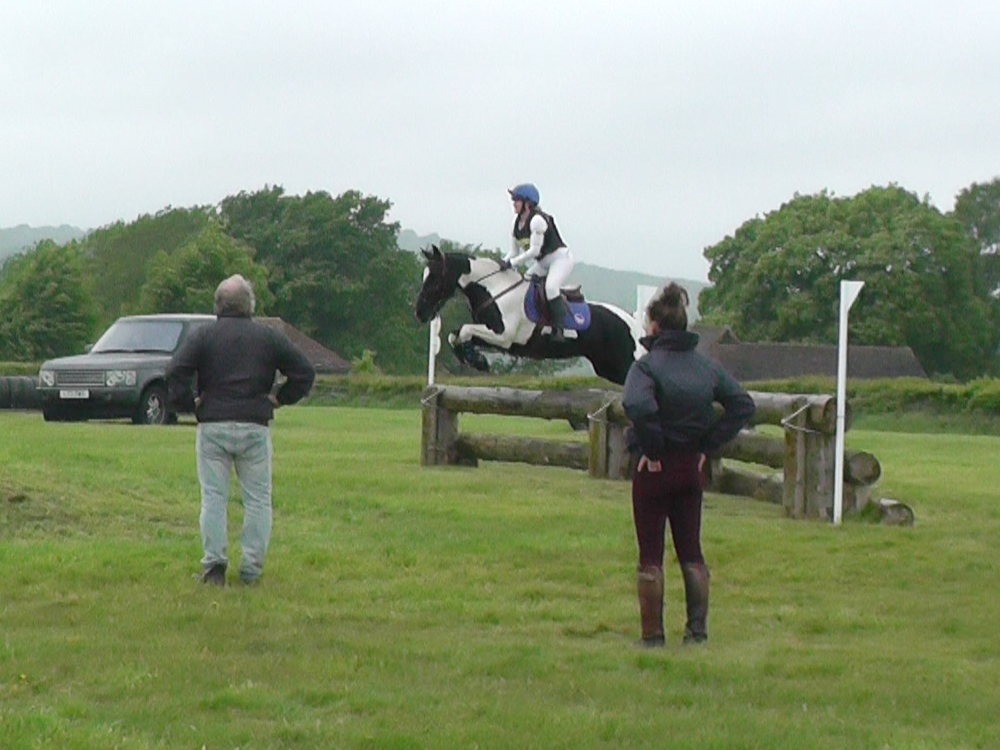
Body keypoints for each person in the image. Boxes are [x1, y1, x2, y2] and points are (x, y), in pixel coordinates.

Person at [621, 283, 755, 646]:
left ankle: (652, 636)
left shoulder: (646, 367)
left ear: (654, 326)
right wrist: (707, 445)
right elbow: (742, 404)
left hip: (654, 470)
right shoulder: (706, 366)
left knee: (651, 555)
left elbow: (637, 406)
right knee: (691, 551)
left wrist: (652, 449)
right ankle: (697, 632)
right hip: (691, 468)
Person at [166, 274, 316, 586]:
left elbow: (175, 371)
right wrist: (279, 398)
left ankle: (214, 566)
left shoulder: (204, 335)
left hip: (213, 423)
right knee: (258, 499)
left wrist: (190, 404)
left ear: (217, 306)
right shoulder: (268, 337)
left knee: (213, 497)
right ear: (250, 305)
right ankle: (251, 569)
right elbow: (304, 372)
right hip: (254, 423)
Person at [503, 183, 575, 342]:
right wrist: (503, 263)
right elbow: (513, 252)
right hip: (543, 263)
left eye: (517, 200)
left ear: (527, 203)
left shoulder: (537, 221)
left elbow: (534, 251)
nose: (514, 203)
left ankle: (560, 330)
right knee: (524, 283)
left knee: (551, 288)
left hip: (560, 259)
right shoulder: (516, 223)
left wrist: (512, 263)